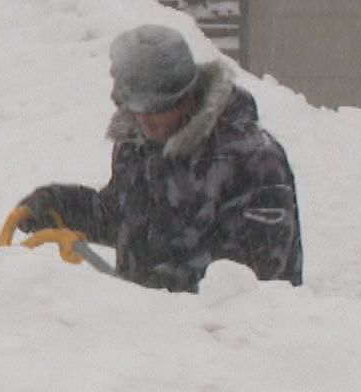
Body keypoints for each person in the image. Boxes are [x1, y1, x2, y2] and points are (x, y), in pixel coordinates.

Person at [16, 24, 303, 292]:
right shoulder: (138, 147)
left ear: (187, 96)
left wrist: (163, 288)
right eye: (135, 106)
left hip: (229, 339)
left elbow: (251, 271)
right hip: (148, 334)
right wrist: (62, 207)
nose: (144, 119)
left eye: (156, 108)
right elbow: (122, 217)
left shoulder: (253, 161)